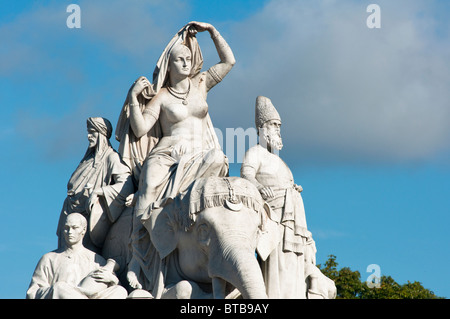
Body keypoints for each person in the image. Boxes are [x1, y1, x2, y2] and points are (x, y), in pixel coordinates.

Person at [116, 21, 235, 297]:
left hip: (200, 154)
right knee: (146, 193)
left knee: (219, 158)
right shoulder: (161, 97)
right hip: (168, 155)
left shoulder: (201, 84)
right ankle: (137, 257)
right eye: (179, 59)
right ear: (168, 65)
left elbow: (229, 61)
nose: (185, 62)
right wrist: (134, 98)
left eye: (188, 58)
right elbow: (141, 128)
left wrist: (212, 31)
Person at [241, 96, 319, 298]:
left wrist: (293, 189)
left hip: (292, 221)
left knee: (293, 262)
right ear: (263, 128)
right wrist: (258, 186)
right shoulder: (255, 152)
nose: (277, 129)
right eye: (274, 125)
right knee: (277, 263)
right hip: (273, 219)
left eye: (279, 125)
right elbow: (246, 174)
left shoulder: (280, 161)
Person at [56, 117, 134, 253]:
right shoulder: (86, 160)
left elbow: (126, 185)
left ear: (101, 134)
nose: (88, 136)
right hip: (69, 212)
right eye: (88, 132)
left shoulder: (111, 157)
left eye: (92, 132)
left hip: (88, 217)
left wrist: (100, 191)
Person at [27, 213, 128, 299]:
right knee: (60, 287)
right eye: (66, 228)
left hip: (93, 296)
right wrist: (55, 290)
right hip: (64, 295)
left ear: (83, 230)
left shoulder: (96, 260)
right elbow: (32, 293)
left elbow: (114, 288)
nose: (70, 232)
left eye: (74, 228)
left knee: (120, 291)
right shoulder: (49, 258)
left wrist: (112, 279)